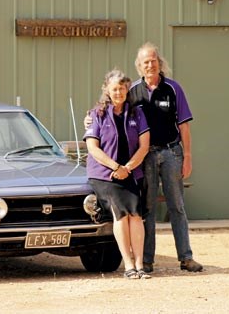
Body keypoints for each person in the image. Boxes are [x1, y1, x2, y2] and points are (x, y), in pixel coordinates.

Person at [129, 42, 203, 273]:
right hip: (146, 156)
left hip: (172, 152)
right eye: (145, 62)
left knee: (177, 206)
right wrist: (90, 120)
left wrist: (188, 156)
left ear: (159, 63)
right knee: (148, 208)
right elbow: (114, 111)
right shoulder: (132, 91)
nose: (150, 65)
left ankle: (186, 257)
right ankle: (148, 260)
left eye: (153, 60)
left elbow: (184, 126)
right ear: (139, 67)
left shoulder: (173, 88)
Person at [84, 69, 151, 279]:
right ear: (107, 90)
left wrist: (128, 168)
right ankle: (128, 266)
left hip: (130, 172)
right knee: (121, 213)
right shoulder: (97, 114)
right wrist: (115, 167)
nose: (118, 92)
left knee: (136, 214)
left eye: (122, 88)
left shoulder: (137, 113)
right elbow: (93, 148)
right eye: (114, 89)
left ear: (127, 89)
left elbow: (144, 146)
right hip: (105, 175)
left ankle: (140, 265)